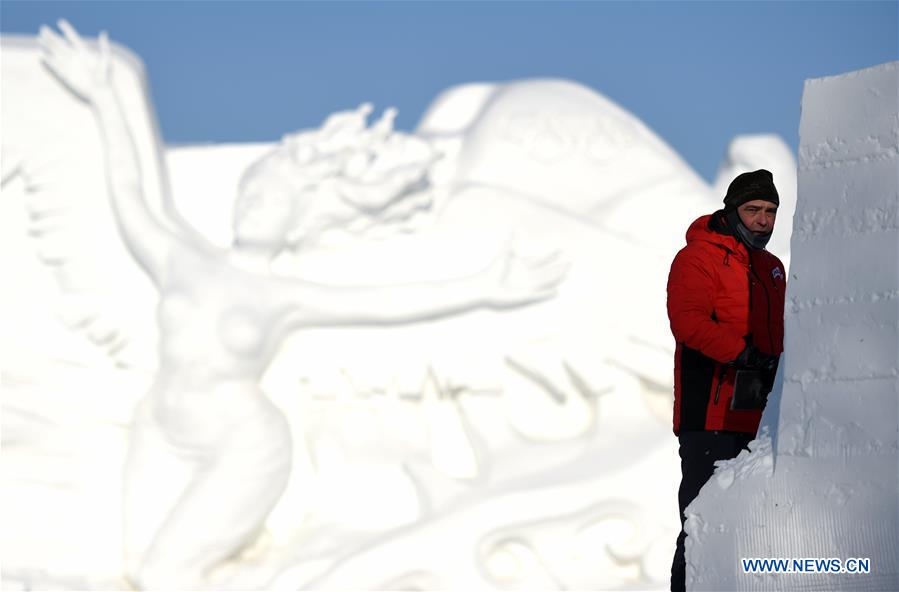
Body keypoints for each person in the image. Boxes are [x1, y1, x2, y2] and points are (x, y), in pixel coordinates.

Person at [38, 21, 567, 590]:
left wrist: (483, 287)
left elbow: (386, 304)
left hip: (239, 444)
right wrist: (101, 97)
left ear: (296, 218)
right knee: (134, 573)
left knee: (166, 572)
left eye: (267, 200)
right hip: (159, 432)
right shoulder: (181, 258)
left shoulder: (281, 296)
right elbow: (128, 194)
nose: (252, 206)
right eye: (249, 193)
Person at [666, 169, 786, 592]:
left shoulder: (772, 268)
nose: (762, 220)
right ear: (731, 210)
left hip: (761, 420)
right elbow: (688, 322)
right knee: (701, 526)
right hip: (710, 417)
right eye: (753, 209)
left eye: (770, 211)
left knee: (755, 526)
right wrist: (743, 355)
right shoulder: (698, 257)